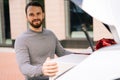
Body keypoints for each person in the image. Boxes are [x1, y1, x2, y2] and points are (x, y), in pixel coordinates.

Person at [14, 1, 74, 80]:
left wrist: (82, 55)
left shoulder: (50, 34)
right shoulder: (21, 39)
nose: (35, 17)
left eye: (38, 13)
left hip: (53, 78)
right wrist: (42, 69)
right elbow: (24, 67)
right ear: (26, 17)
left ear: (43, 15)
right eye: (31, 14)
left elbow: (62, 53)